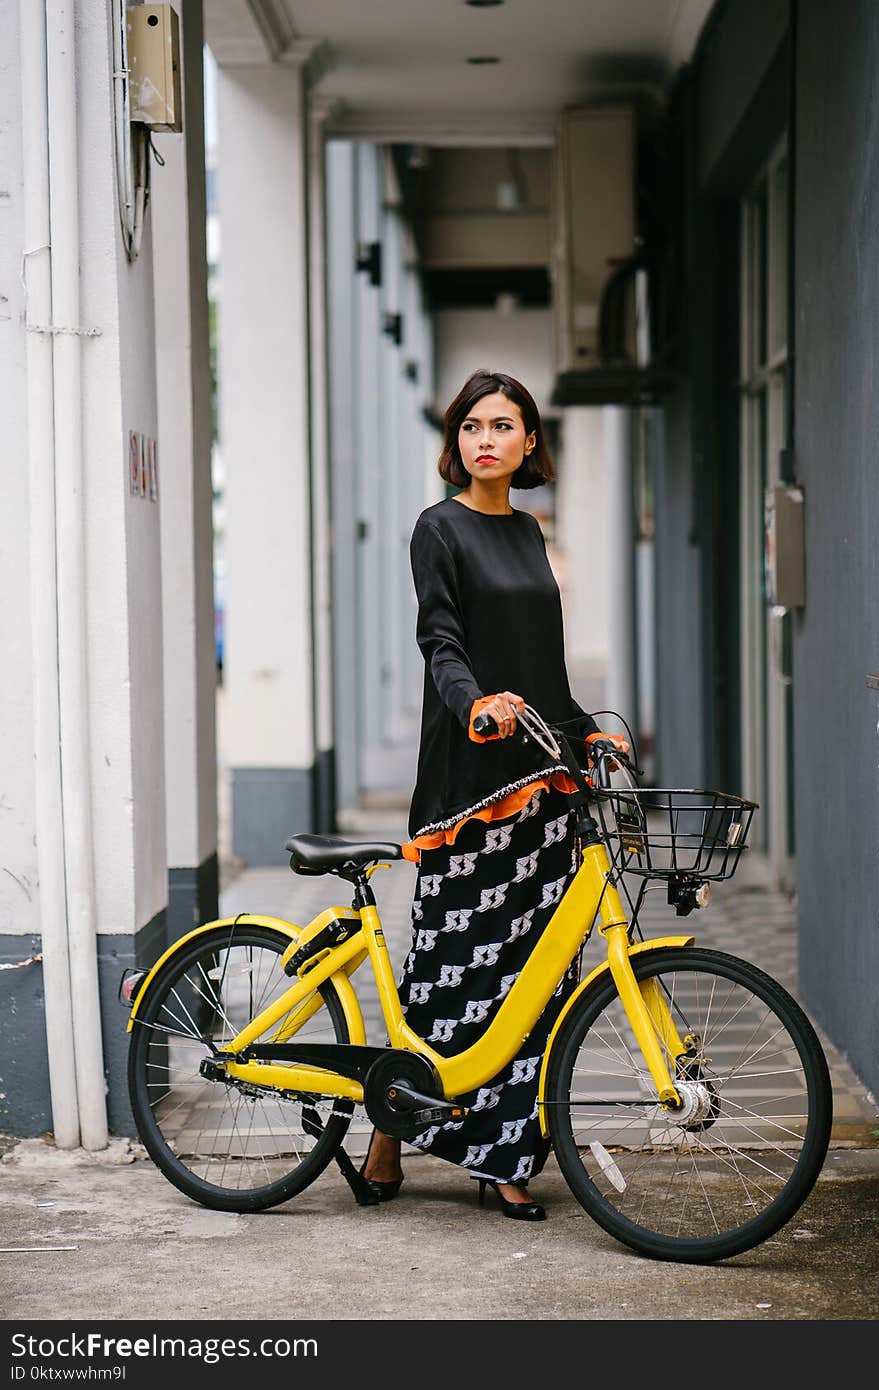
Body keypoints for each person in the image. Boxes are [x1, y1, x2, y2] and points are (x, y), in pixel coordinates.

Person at [360, 368, 622, 1222]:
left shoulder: (529, 531)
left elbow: (541, 665)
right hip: (471, 785)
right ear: (456, 440)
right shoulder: (438, 529)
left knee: (537, 981)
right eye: (472, 425)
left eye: (502, 425)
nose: (485, 439)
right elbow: (441, 640)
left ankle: (504, 1156)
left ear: (529, 442)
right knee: (447, 966)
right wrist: (473, 705)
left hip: (543, 787)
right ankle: (389, 1136)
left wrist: (586, 729)